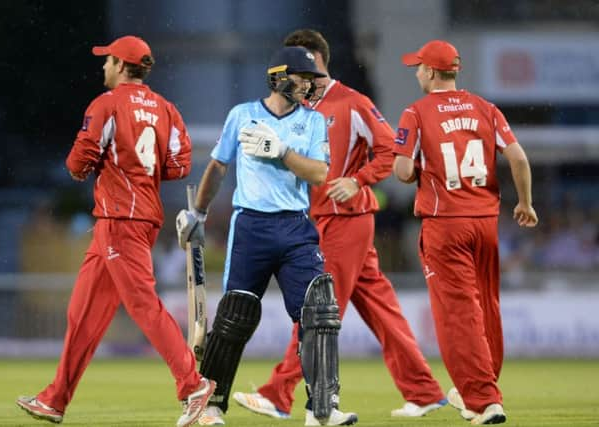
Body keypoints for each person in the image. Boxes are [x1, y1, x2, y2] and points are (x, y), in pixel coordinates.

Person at [232, 29, 447, 421]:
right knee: (381, 309)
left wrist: (358, 180)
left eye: (296, 65)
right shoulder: (296, 109)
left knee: (319, 308)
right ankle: (424, 391)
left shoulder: (352, 103)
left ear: (313, 61)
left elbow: (390, 150)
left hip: (344, 219)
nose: (288, 75)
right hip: (316, 220)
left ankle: (278, 393)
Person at [15, 35, 215, 427]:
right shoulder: (166, 108)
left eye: (107, 60)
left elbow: (80, 160)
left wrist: (86, 168)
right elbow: (180, 165)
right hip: (142, 216)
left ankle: (192, 385)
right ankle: (55, 399)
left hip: (119, 218)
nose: (102, 66)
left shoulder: (106, 104)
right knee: (83, 314)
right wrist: (143, 171)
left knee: (142, 304)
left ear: (122, 66)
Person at [176, 46, 357, 426]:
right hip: (251, 227)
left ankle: (322, 409)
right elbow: (218, 167)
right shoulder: (242, 115)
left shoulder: (312, 121)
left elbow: (320, 174)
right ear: (279, 76)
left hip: (295, 226)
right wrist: (199, 213)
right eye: (302, 77)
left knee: (319, 312)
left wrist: (282, 152)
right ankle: (211, 406)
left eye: (312, 79)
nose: (309, 85)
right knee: (234, 317)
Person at [392, 39, 538, 425]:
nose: (416, 72)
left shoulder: (416, 112)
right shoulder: (485, 108)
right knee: (487, 306)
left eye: (419, 66)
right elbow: (519, 157)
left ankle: (483, 399)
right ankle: (484, 385)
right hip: (486, 222)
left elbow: (404, 171)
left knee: (458, 314)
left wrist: (419, 167)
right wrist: (524, 203)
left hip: (445, 224)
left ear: (432, 72)